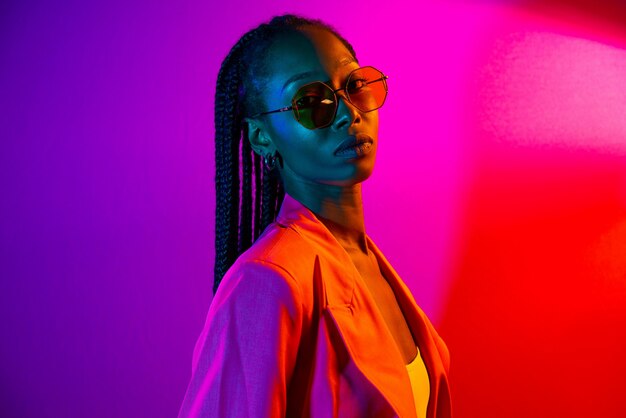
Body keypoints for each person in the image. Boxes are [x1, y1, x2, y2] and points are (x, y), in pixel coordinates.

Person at [179, 14, 451, 418]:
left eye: (354, 87)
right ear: (261, 136)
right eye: (311, 101)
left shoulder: (370, 266)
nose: (347, 113)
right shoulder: (267, 280)